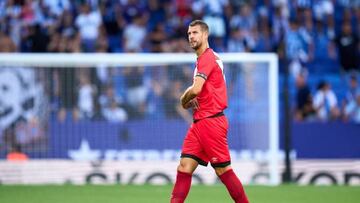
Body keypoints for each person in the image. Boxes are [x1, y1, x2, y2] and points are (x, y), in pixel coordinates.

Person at [170, 20, 249, 203]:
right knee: (184, 167)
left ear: (205, 35)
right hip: (200, 122)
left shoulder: (207, 57)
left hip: (211, 121)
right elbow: (204, 90)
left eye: (195, 33)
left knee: (223, 170)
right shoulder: (206, 59)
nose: (191, 36)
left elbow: (196, 89)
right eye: (189, 33)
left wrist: (184, 98)